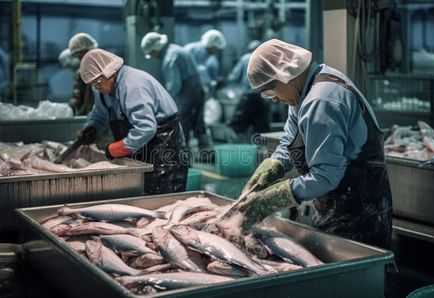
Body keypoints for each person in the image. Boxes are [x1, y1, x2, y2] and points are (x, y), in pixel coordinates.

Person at [240, 39, 392, 249]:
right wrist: (273, 166)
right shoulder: (302, 91)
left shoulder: (321, 100)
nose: (273, 100)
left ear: (283, 75)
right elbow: (289, 140)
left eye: (270, 91)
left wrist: (276, 196)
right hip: (336, 202)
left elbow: (326, 176)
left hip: (358, 210)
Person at [77, 49, 188, 195]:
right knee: (141, 194)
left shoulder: (132, 84)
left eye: (97, 82)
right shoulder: (103, 90)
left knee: (162, 197)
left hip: (164, 144)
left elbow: (146, 128)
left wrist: (118, 148)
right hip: (141, 146)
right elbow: (99, 114)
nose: (96, 87)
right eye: (93, 84)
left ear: (109, 72)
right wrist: (91, 127)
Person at [141, 32, 209, 151]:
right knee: (199, 124)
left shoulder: (169, 58)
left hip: (187, 94)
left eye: (152, 53)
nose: (154, 56)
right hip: (198, 89)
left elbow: (175, 84)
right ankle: (207, 153)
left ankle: (183, 158)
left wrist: (164, 102)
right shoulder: (176, 49)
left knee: (183, 126)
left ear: (156, 49)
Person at [226, 40, 271, 141]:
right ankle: (260, 152)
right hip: (264, 98)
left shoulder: (245, 58)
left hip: (248, 98)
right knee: (261, 130)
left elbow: (234, 77)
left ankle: (240, 148)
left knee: (237, 126)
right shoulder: (267, 59)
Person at [67, 32, 98, 115]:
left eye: (80, 54)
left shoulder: (105, 69)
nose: (80, 58)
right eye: (77, 56)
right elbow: (77, 96)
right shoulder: (81, 72)